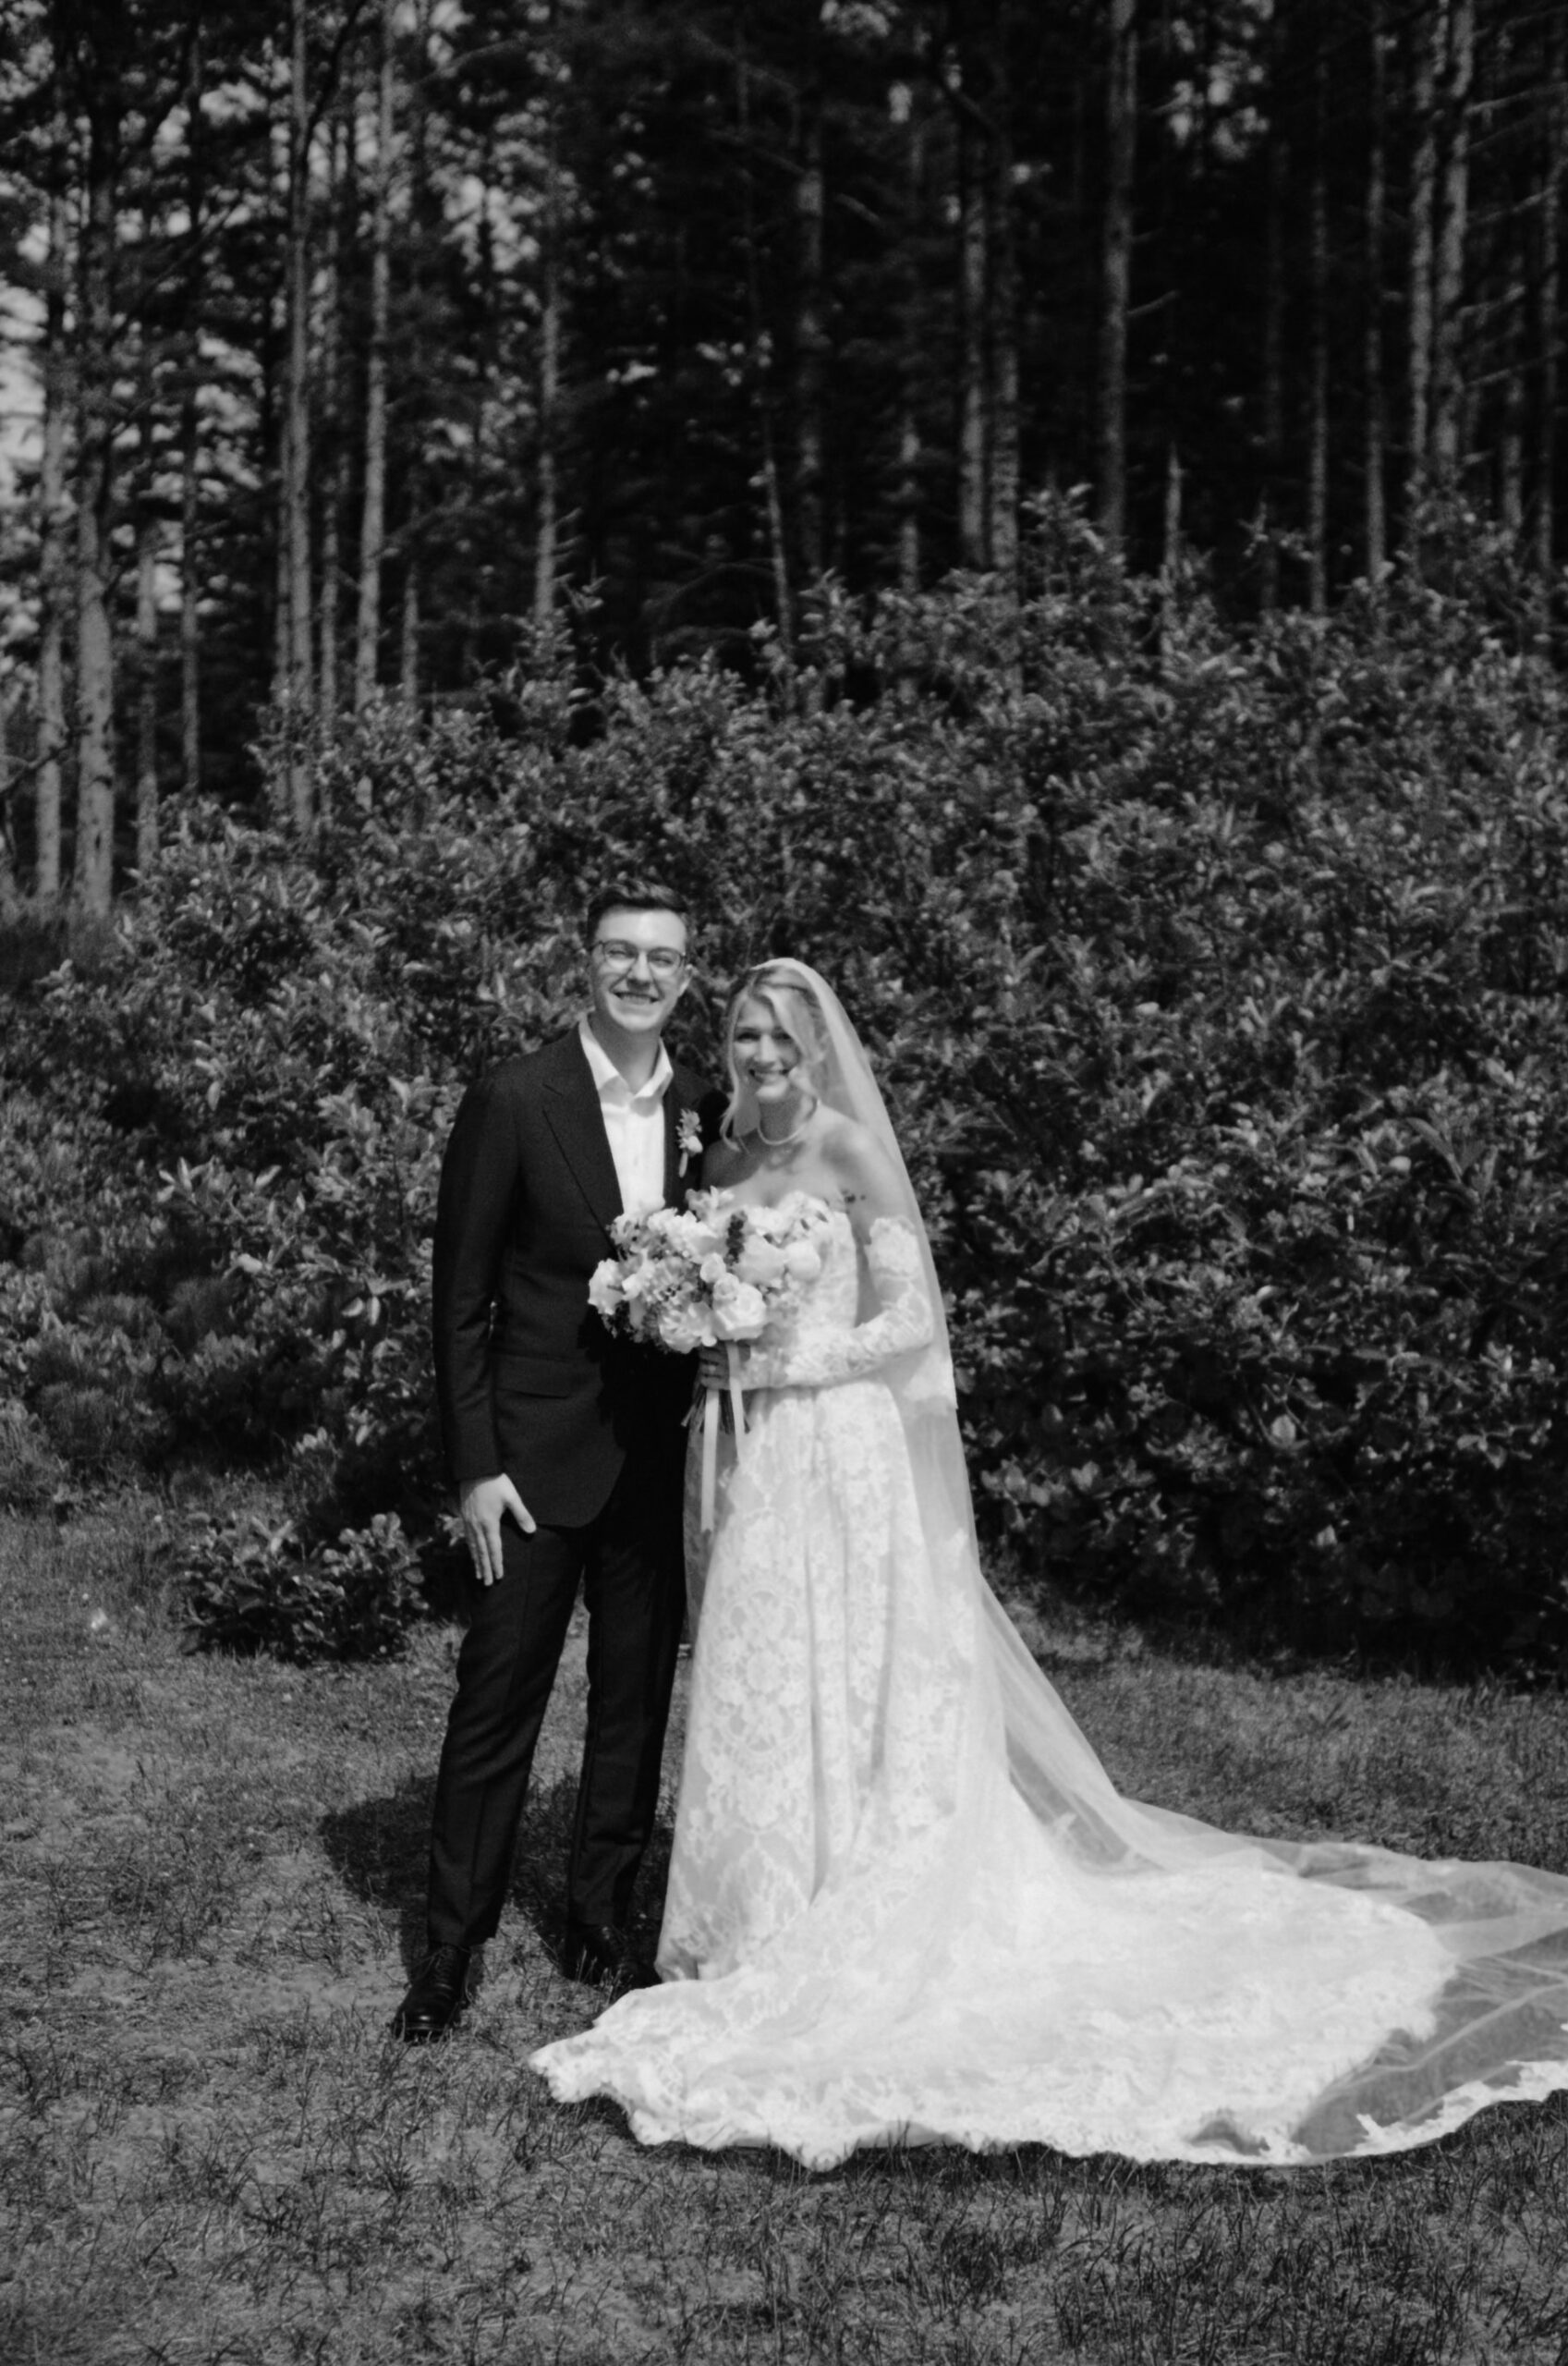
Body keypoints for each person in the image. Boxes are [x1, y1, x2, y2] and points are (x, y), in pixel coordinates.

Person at [530, 958, 1568, 2166]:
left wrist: (798, 1365)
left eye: (779, 1035)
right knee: (761, 1667)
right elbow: (708, 1302)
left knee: (855, 1669)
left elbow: (913, 1323)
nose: (760, 1052)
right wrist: (705, 1339)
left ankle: (860, 1892)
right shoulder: (717, 1165)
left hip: (844, 1442)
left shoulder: (850, 1154)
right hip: (756, 1461)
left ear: (813, 1046)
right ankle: (760, 1912)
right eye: (745, 1032)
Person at [392, 882, 720, 2043]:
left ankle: (596, 1913)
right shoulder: (515, 1097)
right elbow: (460, 1301)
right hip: (530, 1465)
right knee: (499, 1703)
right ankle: (448, 1949)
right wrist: (474, 1467)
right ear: (585, 962)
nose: (640, 973)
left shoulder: (707, 1107)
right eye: (620, 953)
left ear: (688, 974)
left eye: (662, 958)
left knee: (632, 1702)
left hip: (650, 1462)